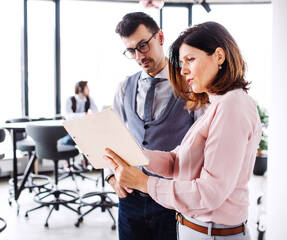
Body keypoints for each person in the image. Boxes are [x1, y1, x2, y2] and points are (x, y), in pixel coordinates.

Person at [104, 21, 262, 240]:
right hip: (196, 229)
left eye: (190, 59)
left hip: (212, 234)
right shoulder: (219, 104)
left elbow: (210, 192)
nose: (183, 69)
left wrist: (143, 182)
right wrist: (134, 154)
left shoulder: (233, 105)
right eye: (182, 61)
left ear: (219, 56)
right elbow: (177, 162)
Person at [107, 12, 202, 240]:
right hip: (130, 199)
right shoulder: (123, 88)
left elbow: (202, 143)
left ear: (160, 37)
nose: (139, 56)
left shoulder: (190, 85)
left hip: (170, 200)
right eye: (131, 51)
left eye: (143, 46)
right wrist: (111, 177)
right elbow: (111, 138)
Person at [62, 80, 98, 145]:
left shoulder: (89, 99)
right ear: (80, 89)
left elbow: (95, 112)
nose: (89, 90)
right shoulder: (70, 99)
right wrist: (85, 114)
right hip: (72, 129)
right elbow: (68, 116)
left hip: (83, 128)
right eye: (87, 88)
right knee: (71, 141)